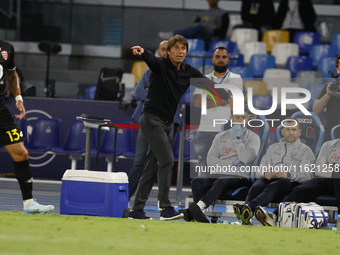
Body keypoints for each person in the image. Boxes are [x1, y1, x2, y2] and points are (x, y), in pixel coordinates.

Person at [128, 35, 211, 220]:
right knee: (166, 160)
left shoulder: (188, 70)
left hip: (167, 123)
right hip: (151, 119)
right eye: (177, 48)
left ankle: (137, 210)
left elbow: (207, 84)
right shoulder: (160, 65)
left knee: (151, 167)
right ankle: (165, 207)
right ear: (169, 51)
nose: (181, 51)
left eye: (184, 48)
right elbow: (151, 59)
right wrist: (143, 53)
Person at [0, 39, 54, 214]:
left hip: (1, 112)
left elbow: (11, 74)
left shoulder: (7, 48)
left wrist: (18, 99)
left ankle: (29, 204)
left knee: (22, 153)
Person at [181, 109, 260, 223]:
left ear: (248, 119)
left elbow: (247, 158)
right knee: (197, 181)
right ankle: (200, 216)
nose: (241, 121)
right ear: (231, 118)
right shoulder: (220, 136)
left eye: (244, 117)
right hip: (219, 173)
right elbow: (211, 160)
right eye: (237, 117)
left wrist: (237, 139)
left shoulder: (253, 138)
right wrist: (232, 164)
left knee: (222, 181)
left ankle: (198, 207)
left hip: (240, 175)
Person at [234, 118, 315, 225]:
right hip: (270, 178)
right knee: (257, 185)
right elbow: (259, 170)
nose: (291, 133)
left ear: (299, 132)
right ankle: (246, 218)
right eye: (288, 130)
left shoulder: (306, 151)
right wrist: (265, 173)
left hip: (289, 181)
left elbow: (308, 175)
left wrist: (288, 174)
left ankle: (249, 207)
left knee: (279, 183)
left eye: (294, 130)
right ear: (282, 131)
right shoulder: (273, 148)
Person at [128, 40, 182, 199]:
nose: (165, 52)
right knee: (139, 162)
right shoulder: (150, 71)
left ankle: (163, 203)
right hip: (147, 120)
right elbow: (138, 93)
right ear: (158, 52)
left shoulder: (180, 72)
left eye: (168, 49)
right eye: (162, 50)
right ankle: (125, 199)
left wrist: (151, 92)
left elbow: (176, 95)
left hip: (168, 122)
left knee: (163, 163)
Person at [256, 138, 340, 227]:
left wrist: (332, 166)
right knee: (302, 188)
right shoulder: (328, 145)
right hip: (326, 180)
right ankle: (275, 215)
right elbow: (318, 169)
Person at [193, 46, 243, 168]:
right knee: (204, 168)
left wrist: (210, 98)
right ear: (212, 59)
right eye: (218, 56)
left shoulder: (236, 78)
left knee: (222, 169)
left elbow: (233, 97)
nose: (221, 59)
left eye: (224, 57)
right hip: (205, 130)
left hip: (225, 130)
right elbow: (198, 102)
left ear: (228, 60)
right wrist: (225, 98)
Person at [159, 0, 229, 50]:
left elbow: (223, 31)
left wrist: (208, 29)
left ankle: (173, 35)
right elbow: (194, 28)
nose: (211, 1)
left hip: (212, 39)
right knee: (196, 27)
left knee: (199, 27)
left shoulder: (223, 14)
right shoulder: (202, 14)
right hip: (199, 37)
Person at [313, 56, 340, 141]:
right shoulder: (331, 87)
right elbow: (315, 111)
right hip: (330, 137)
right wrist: (328, 94)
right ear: (337, 69)